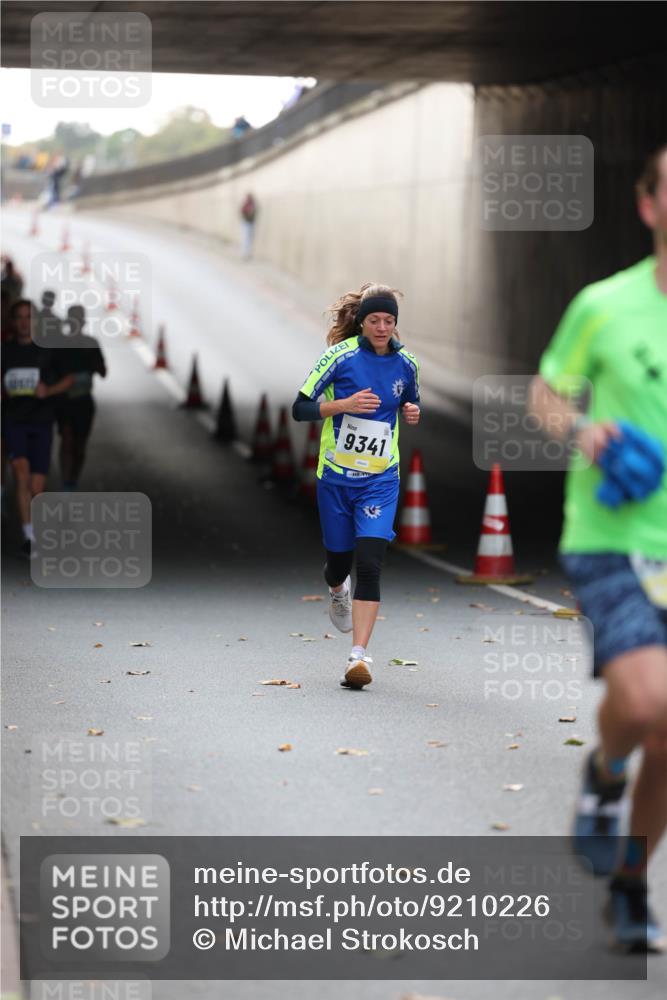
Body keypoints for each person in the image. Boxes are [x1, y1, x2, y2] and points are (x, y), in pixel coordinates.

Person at [529, 143, 667, 952]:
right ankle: (605, 772)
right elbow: (545, 395)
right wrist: (583, 430)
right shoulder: (602, 305)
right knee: (650, 704)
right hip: (612, 539)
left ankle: (627, 881)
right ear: (648, 207)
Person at [292, 282, 421, 689]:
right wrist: (343, 406)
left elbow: (409, 401)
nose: (382, 327)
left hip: (381, 479)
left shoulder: (408, 364)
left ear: (395, 324)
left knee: (370, 563)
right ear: (362, 323)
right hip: (336, 477)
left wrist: (412, 411)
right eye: (375, 320)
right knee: (339, 563)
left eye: (389, 320)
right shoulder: (338, 357)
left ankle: (357, 657)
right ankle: (335, 586)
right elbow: (300, 408)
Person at [2, 299, 75, 555]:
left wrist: (49, 389)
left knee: (36, 487)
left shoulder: (47, 351)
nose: (24, 322)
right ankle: (29, 537)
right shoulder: (5, 351)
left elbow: (70, 379)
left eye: (28, 317)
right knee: (21, 474)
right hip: (14, 421)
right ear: (13, 322)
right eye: (19, 317)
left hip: (42, 422)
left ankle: (35, 527)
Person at [57, 304, 107, 490]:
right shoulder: (59, 345)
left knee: (79, 445)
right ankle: (65, 483)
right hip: (64, 400)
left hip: (84, 401)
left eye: (80, 320)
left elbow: (103, 372)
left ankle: (73, 480)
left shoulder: (91, 344)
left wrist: (94, 363)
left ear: (84, 322)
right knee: (67, 439)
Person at [240, 193, 258, 261]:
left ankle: (248, 253)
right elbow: (242, 212)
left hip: (251, 224)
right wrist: (247, 216)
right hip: (246, 223)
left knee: (250, 239)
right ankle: (244, 254)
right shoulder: (245, 204)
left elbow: (255, 213)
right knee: (245, 239)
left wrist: (251, 215)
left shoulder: (253, 205)